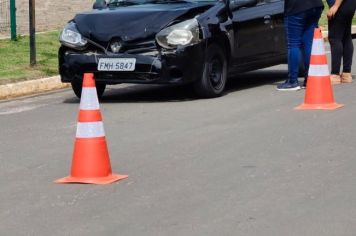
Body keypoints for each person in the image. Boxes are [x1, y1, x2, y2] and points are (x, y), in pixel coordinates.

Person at [277, 0, 324, 91]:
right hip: (316, 5)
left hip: (296, 7)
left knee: (293, 44)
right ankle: (310, 78)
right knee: (308, 43)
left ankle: (292, 81)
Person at [327, 0, 356, 84]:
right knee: (346, 37)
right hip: (350, 4)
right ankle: (346, 74)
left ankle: (335, 74)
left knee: (335, 38)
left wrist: (336, 6)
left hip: (340, 5)